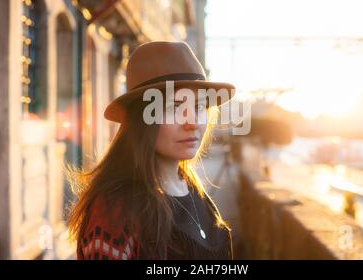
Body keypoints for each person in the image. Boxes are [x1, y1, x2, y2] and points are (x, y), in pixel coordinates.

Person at [67, 41, 236, 259]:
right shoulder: (115, 210)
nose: (192, 122)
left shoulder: (192, 189)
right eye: (174, 107)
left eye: (199, 107)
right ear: (142, 119)